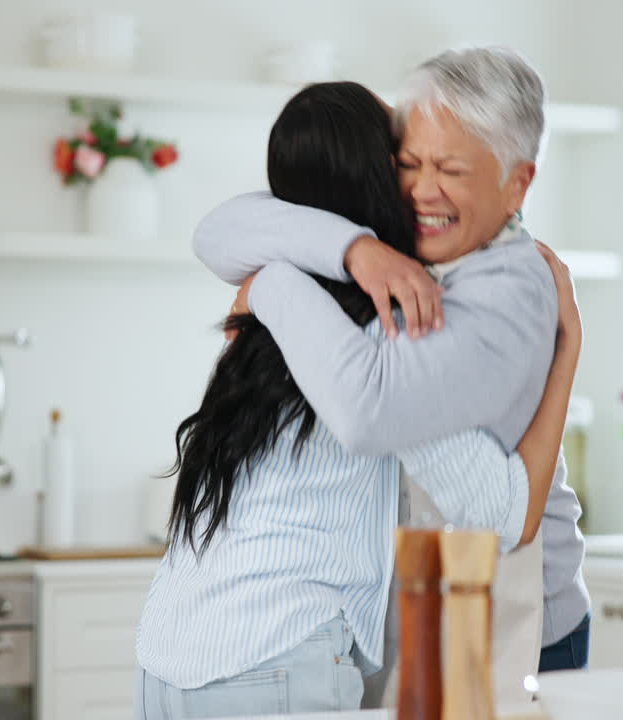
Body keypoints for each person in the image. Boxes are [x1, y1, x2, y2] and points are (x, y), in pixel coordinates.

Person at [135, 81, 582, 719]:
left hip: (167, 658)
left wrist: (351, 252)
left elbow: (222, 230)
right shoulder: (385, 331)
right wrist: (569, 351)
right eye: (407, 161)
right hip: (275, 660)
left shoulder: (274, 289)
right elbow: (505, 513)